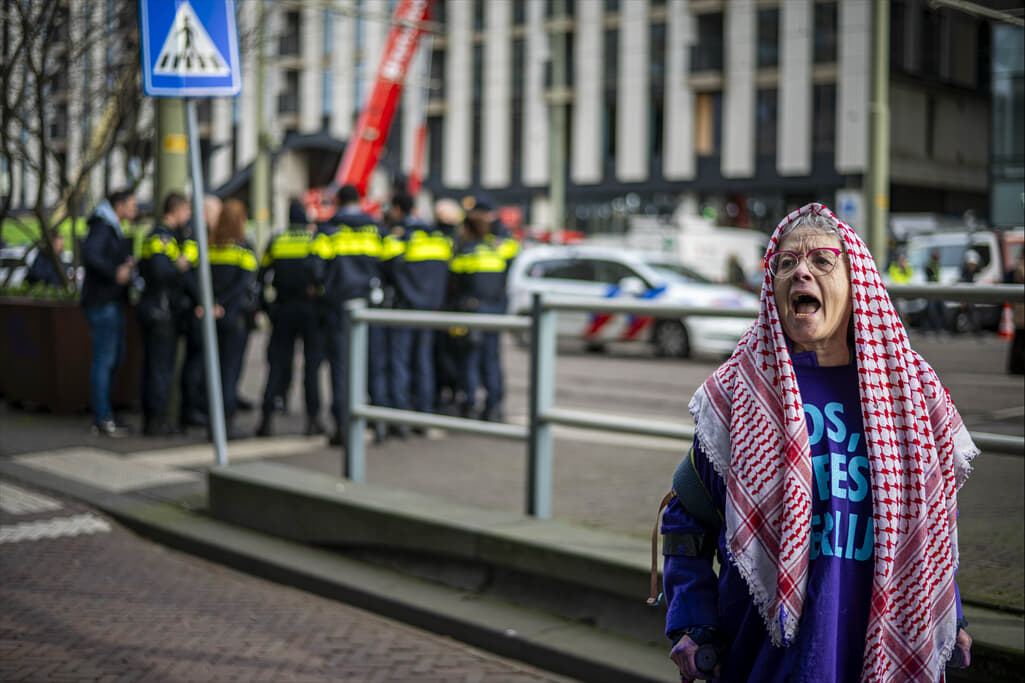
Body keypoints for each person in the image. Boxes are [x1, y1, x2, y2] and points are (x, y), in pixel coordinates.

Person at [660, 203, 975, 682]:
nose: (800, 272)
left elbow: (929, 526)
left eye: (822, 261)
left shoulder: (911, 393)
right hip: (767, 656)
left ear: (856, 283)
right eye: (786, 264)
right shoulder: (740, 392)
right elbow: (686, 520)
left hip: (877, 646)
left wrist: (952, 615)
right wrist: (693, 623)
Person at [315, 184, 384, 446]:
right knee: (373, 363)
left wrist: (325, 288)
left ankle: (343, 425)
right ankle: (378, 423)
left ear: (337, 201)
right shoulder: (375, 228)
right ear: (360, 200)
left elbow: (316, 268)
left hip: (339, 305)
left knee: (341, 366)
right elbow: (390, 262)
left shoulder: (328, 229)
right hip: (370, 305)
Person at [255, 200, 327, 437]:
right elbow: (322, 275)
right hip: (310, 310)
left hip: (283, 309)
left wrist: (267, 308)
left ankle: (266, 419)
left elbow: (261, 276)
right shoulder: (314, 240)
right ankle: (313, 420)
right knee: (311, 367)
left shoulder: (277, 239)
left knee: (277, 365)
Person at [197, 198, 257, 440]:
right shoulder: (244, 248)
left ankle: (212, 423)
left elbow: (199, 277)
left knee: (213, 369)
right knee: (230, 372)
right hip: (233, 318)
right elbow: (244, 284)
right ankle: (226, 424)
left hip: (211, 316)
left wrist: (211, 303)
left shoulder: (209, 246)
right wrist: (222, 305)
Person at [448, 213, 517, 421]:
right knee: (492, 360)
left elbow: (455, 282)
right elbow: (513, 248)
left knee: (471, 360)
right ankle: (494, 407)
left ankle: (470, 405)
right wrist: (496, 225)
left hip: (472, 311)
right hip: (495, 312)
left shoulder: (465, 251)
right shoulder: (497, 249)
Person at [81, 188, 137, 436]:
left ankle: (105, 413)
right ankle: (102, 417)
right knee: (105, 359)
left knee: (113, 358)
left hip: (108, 301)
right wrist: (115, 272)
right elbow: (91, 254)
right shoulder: (103, 227)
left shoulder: (109, 226)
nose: (135, 210)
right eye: (132, 205)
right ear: (119, 206)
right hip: (103, 302)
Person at [137, 191, 192, 436]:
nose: (188, 217)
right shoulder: (163, 238)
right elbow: (160, 271)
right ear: (176, 210)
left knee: (155, 366)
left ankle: (154, 418)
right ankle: (156, 421)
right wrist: (179, 266)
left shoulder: (159, 235)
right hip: (161, 311)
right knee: (160, 368)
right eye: (186, 211)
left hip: (155, 308)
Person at [179, 195, 220, 429]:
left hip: (197, 306)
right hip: (196, 309)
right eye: (216, 212)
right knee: (196, 362)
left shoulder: (199, 232)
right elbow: (189, 271)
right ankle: (191, 409)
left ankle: (197, 407)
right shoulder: (196, 234)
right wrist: (202, 300)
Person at [958, 249, 982, 338]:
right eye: (971, 265)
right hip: (968, 299)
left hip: (972, 298)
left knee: (974, 314)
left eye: (973, 265)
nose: (972, 266)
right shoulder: (966, 274)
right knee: (971, 313)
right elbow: (963, 287)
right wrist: (962, 300)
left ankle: (976, 330)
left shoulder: (974, 273)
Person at [1008, 251, 1025, 375]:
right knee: (1020, 339)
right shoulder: (1020, 265)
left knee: (1020, 339)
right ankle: (1016, 366)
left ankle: (1017, 365)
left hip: (1021, 309)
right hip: (1021, 309)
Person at [923, 249, 946, 336]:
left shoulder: (937, 264)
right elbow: (931, 277)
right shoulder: (930, 265)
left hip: (937, 290)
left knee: (939, 310)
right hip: (931, 291)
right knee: (931, 311)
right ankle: (929, 329)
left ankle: (938, 328)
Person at [887, 251, 913, 324]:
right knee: (900, 307)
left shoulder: (907, 267)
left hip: (906, 290)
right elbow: (894, 278)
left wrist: (905, 269)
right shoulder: (894, 267)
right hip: (898, 291)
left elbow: (910, 276)